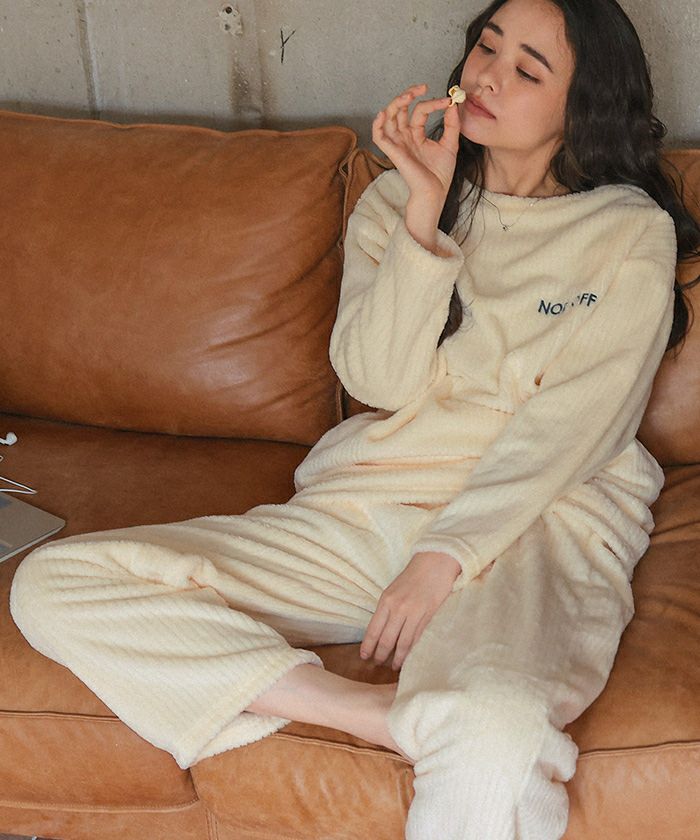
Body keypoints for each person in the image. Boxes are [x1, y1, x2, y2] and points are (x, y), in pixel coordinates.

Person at [9, 0, 700, 837]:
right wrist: (424, 213)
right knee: (55, 584)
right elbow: (380, 379)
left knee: (496, 724)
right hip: (370, 509)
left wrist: (444, 556)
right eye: (486, 47)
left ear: (582, 105)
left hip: (545, 516)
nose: (488, 76)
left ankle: (444, 712)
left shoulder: (626, 230)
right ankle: (374, 717)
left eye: (527, 69)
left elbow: (579, 418)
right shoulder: (395, 204)